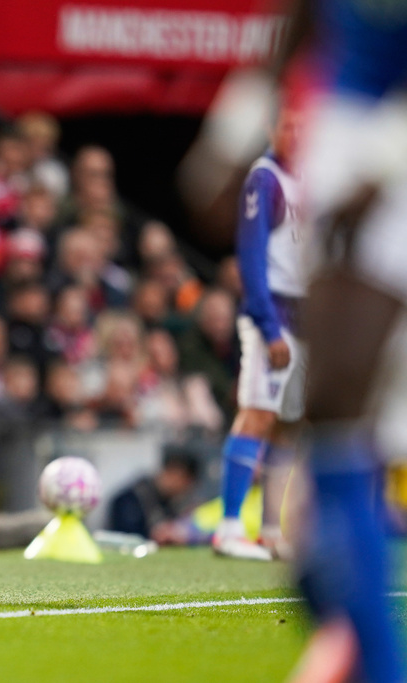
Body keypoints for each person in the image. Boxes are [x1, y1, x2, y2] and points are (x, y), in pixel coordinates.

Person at [182, 0, 406, 679]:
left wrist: (379, 166)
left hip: (385, 142)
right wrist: (228, 140)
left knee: (349, 423)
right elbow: (294, 27)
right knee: (335, 417)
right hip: (340, 137)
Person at [213, 104, 306, 562]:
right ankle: (229, 526)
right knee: (257, 413)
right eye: (288, 123)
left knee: (288, 426)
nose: (297, 133)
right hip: (274, 316)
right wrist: (268, 326)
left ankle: (271, 529)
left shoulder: (311, 176)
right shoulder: (265, 178)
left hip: (307, 319)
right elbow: (250, 258)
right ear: (272, 127)